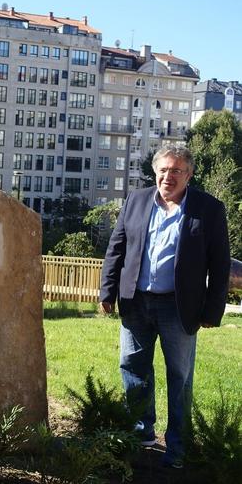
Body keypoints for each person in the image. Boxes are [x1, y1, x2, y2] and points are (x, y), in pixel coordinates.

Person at [99, 145, 230, 469]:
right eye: (163, 170)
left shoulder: (209, 209)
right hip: (136, 302)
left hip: (178, 307)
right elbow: (117, 248)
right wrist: (107, 290)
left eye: (176, 171)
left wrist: (212, 311)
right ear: (154, 171)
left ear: (189, 174)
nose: (168, 176)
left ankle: (177, 449)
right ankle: (141, 433)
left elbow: (221, 263)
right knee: (132, 368)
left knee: (179, 377)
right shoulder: (136, 200)